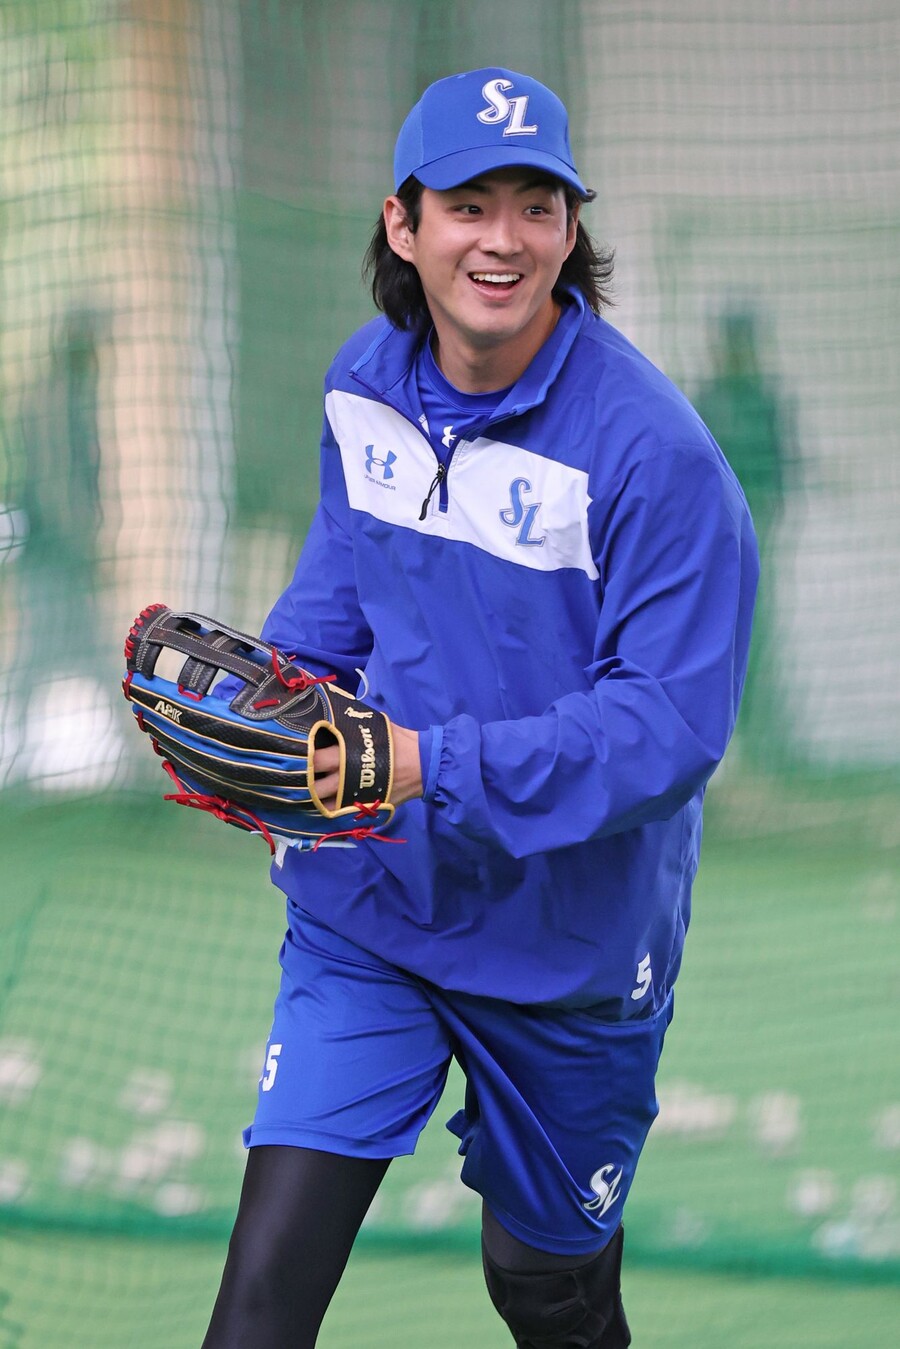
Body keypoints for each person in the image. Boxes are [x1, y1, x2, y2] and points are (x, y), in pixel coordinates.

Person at [202, 68, 758, 1349]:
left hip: (568, 943)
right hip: (374, 905)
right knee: (263, 1292)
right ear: (405, 223)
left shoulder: (657, 459)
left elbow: (666, 731)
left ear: (570, 229)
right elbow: (336, 603)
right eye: (467, 203)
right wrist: (269, 715)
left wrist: (416, 761)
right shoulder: (365, 383)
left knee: (547, 1293)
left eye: (535, 204)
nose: (501, 237)